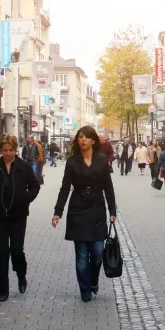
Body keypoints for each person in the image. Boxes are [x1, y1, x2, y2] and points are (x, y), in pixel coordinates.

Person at [52, 126, 118, 302]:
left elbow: (108, 188)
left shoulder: (102, 160)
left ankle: (93, 280)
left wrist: (112, 210)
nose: (82, 140)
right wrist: (58, 211)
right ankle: (85, 290)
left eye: (86, 137)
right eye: (80, 137)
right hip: (78, 209)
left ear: (93, 141)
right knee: (81, 255)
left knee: (97, 253)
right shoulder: (72, 161)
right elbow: (65, 187)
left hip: (96, 209)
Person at [0, 134, 40, 301]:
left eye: (10, 150)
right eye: (4, 150)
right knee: (2, 252)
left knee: (17, 251)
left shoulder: (23, 167)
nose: (7, 153)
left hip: (18, 215)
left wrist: (26, 198)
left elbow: (35, 185)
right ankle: (2, 290)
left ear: (15, 150)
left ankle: (21, 275)